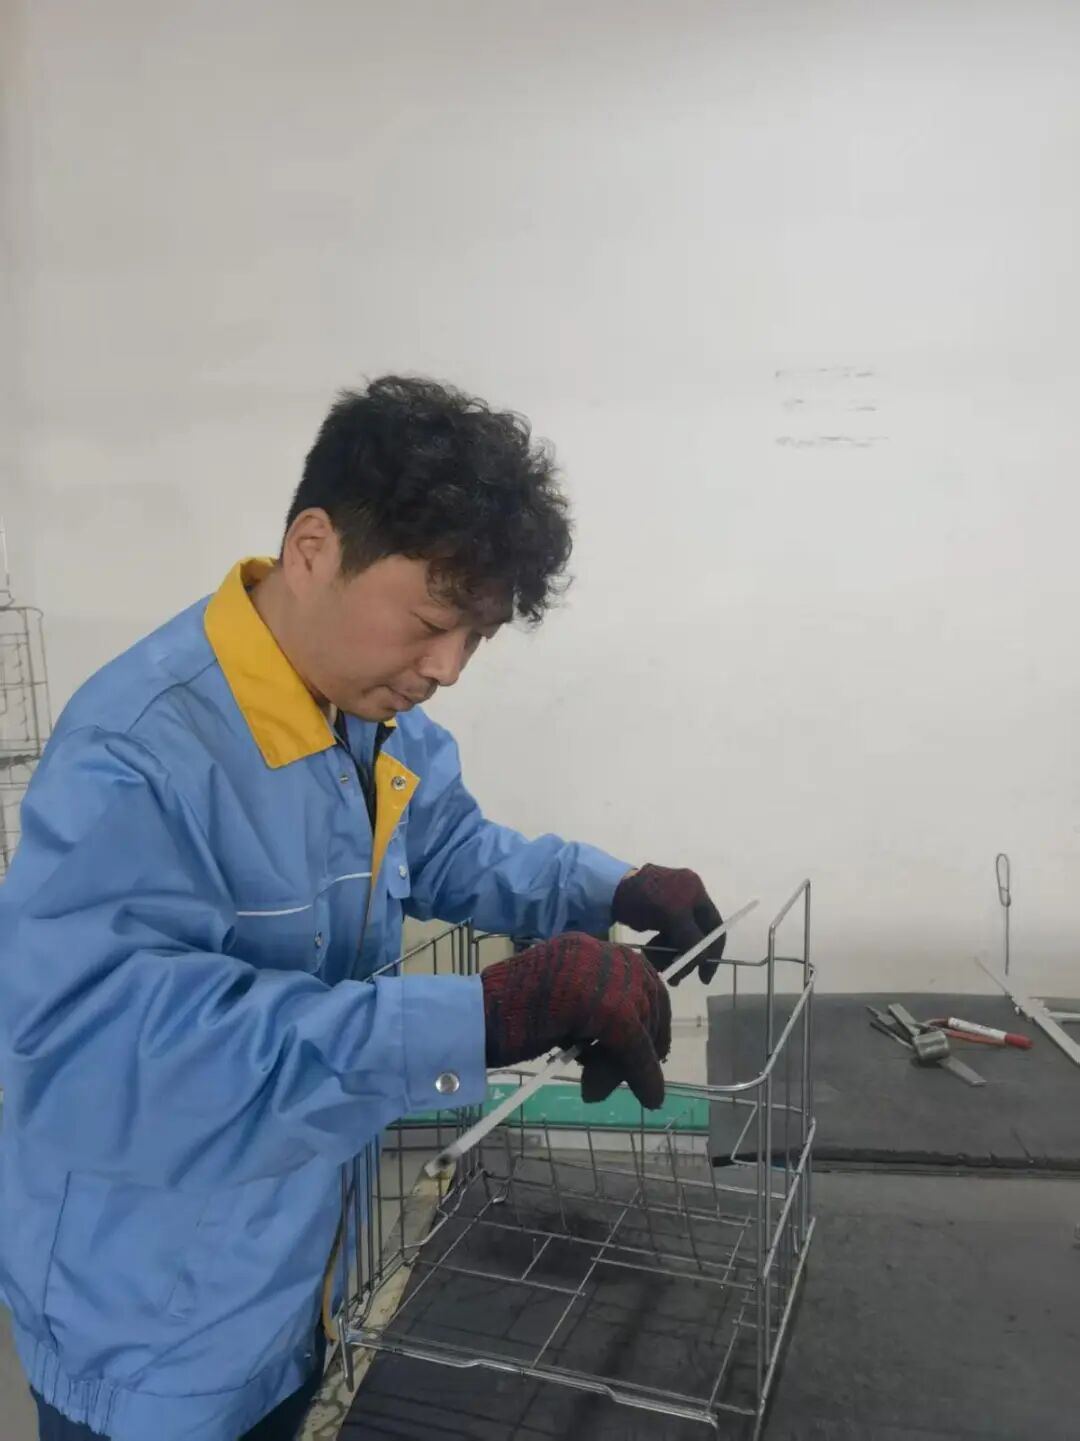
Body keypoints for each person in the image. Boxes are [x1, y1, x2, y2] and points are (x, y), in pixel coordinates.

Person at [0, 376, 727, 1441]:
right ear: (313, 548)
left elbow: (449, 843)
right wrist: (479, 1018)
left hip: (301, 1283)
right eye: (433, 623)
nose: (448, 667)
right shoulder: (138, 753)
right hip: (149, 1333)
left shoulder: (364, 710)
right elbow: (104, 1056)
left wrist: (606, 886)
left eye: (475, 636)